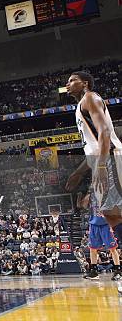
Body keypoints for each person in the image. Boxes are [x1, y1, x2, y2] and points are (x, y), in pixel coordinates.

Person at [65, 71, 122, 254]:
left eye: (73, 80)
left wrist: (102, 165)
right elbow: (93, 147)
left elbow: (104, 132)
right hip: (105, 158)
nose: (68, 84)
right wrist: (79, 172)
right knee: (112, 214)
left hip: (110, 158)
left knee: (112, 213)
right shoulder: (81, 106)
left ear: (85, 83)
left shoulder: (90, 98)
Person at [79, 192, 121, 280]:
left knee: (112, 248)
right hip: (94, 224)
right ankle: (94, 272)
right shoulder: (91, 195)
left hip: (106, 224)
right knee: (92, 248)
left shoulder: (109, 194)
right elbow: (83, 205)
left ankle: (118, 271)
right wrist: (87, 194)